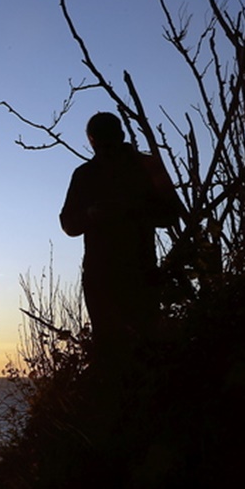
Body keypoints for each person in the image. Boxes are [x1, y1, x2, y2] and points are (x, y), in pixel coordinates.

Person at [60, 111, 176, 371]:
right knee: (113, 350)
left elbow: (171, 212)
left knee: (141, 349)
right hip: (104, 276)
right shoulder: (86, 174)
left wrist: (133, 209)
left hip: (138, 272)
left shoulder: (146, 166)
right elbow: (68, 223)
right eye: (100, 144)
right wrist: (93, 214)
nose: (104, 150)